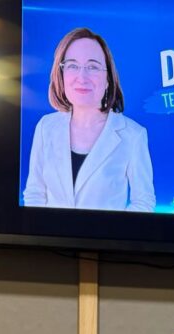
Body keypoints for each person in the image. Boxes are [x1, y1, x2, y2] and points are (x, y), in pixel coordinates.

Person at [22, 27, 155, 212]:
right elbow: (34, 194)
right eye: (72, 66)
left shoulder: (133, 135)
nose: (82, 77)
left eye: (92, 67)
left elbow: (143, 202)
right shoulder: (46, 127)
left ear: (108, 79)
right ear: (61, 74)